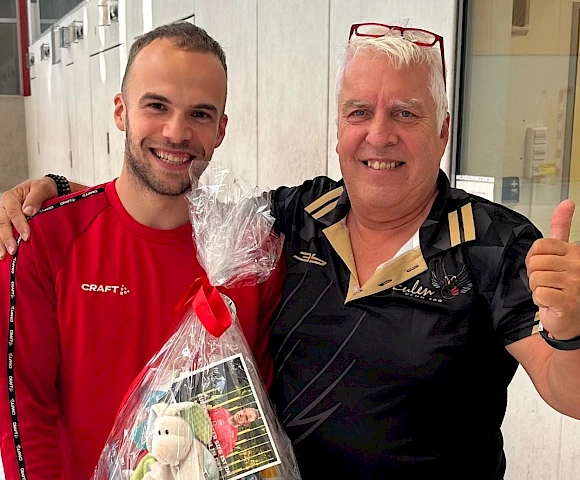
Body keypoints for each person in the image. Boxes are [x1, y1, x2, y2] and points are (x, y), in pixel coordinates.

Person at [2, 22, 580, 480]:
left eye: (406, 113)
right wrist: (62, 197)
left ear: (444, 131)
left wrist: (574, 330)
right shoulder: (297, 216)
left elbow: (566, 389)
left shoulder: (497, 244)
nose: (379, 134)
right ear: (339, 129)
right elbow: (171, 198)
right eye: (359, 112)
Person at [0, 23, 284, 480]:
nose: (176, 132)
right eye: (157, 105)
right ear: (121, 111)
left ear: (221, 129)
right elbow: (23, 416)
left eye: (200, 113)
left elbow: (253, 422)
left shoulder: (250, 256)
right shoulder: (41, 241)